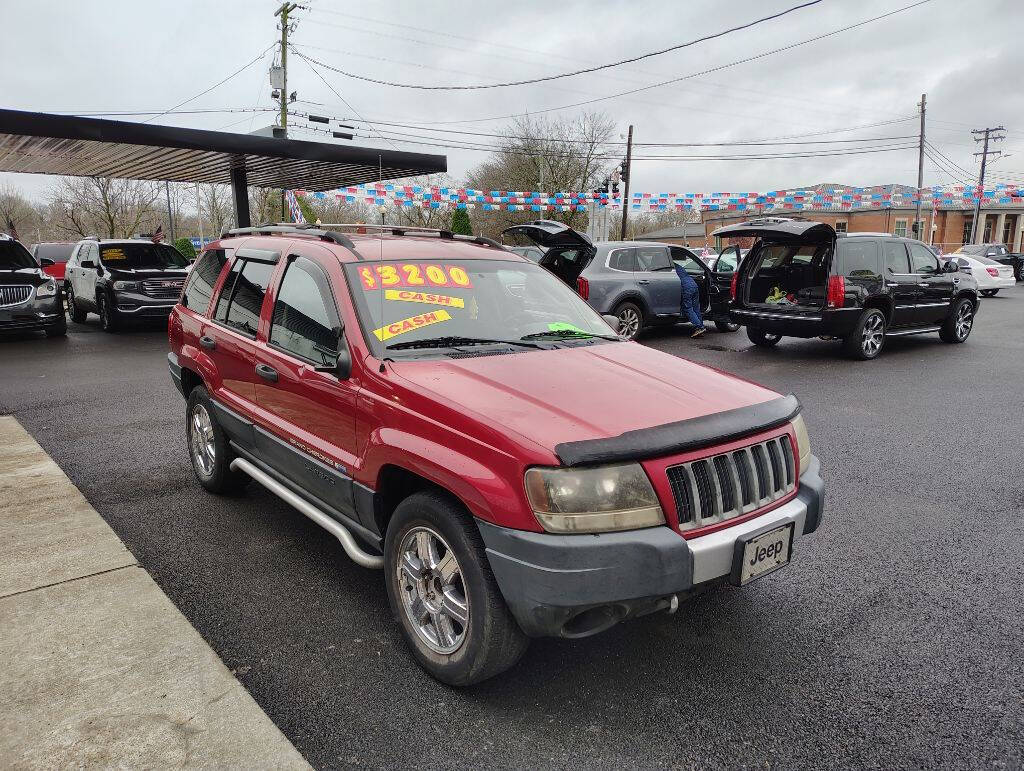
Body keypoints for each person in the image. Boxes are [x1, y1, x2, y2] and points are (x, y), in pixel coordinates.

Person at [673, 261, 706, 338]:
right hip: (694, 285)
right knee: (696, 308)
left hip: (686, 287)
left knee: (688, 308)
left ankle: (699, 327)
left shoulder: (670, 267)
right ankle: (700, 327)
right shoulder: (677, 266)